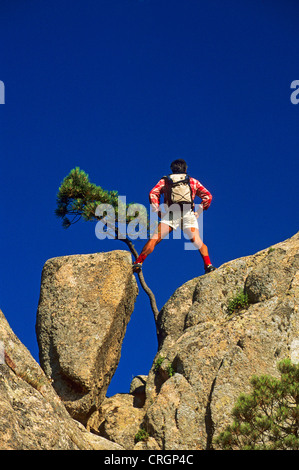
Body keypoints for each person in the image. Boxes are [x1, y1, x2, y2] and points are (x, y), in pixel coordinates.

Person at [132, 159, 216, 274]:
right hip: (188, 213)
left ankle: (139, 262)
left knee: (155, 239)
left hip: (171, 213)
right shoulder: (192, 181)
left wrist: (157, 210)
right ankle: (208, 265)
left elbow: (153, 193)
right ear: (185, 169)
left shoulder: (166, 181)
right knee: (197, 240)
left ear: (172, 169)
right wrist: (199, 211)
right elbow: (208, 196)